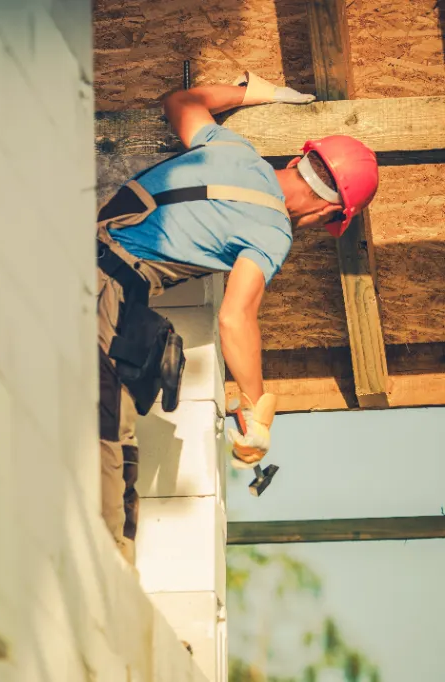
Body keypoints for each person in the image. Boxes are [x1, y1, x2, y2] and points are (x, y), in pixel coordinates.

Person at [96, 71, 379, 564]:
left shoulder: (233, 149)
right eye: (329, 222)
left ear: (298, 161)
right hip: (100, 290)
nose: (317, 226)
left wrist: (254, 90)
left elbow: (180, 100)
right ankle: (104, 579)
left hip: (77, 251)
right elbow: (235, 317)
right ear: (327, 212)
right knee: (106, 446)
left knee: (111, 427)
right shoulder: (273, 231)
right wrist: (256, 411)